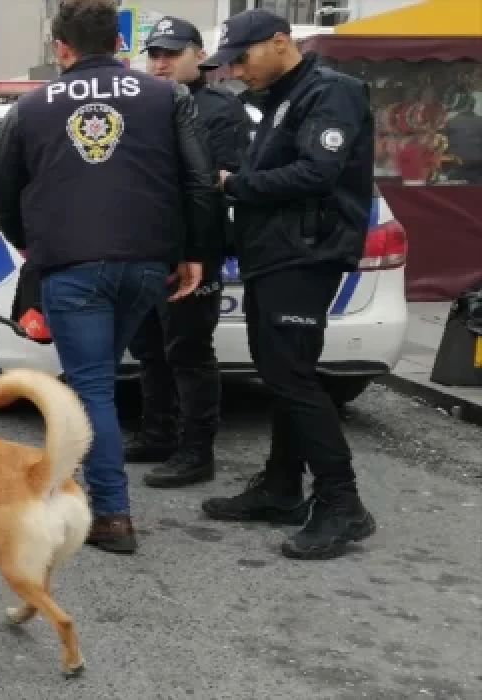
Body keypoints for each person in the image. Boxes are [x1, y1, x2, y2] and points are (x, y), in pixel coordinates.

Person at [0, 0, 222, 554]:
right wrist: (194, 253)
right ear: (119, 44)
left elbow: (2, 193)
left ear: (61, 49)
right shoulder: (168, 96)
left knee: (92, 387)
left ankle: (111, 514)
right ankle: (84, 487)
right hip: (145, 264)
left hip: (72, 265)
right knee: (98, 380)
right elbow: (197, 181)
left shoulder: (31, 106)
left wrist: (30, 242)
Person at [198, 9, 377, 560]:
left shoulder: (332, 93)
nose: (235, 70)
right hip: (275, 254)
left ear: (281, 43)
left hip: (306, 253)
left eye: (242, 58)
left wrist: (237, 184)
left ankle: (342, 503)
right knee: (280, 374)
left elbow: (317, 172)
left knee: (293, 377)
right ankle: (281, 487)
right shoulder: (280, 99)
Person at [125, 16, 253, 489]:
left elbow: (214, 186)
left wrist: (196, 252)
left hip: (194, 251)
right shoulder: (145, 104)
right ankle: (157, 433)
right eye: (154, 55)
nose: (160, 64)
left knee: (189, 351)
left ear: (199, 55)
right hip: (148, 247)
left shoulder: (219, 109)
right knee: (149, 349)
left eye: (171, 54)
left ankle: (197, 452)